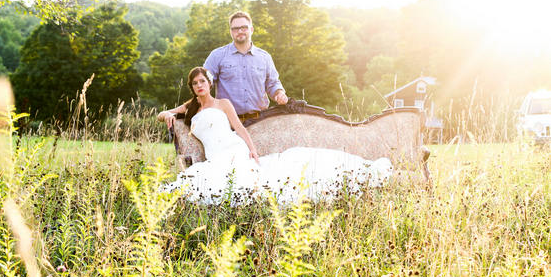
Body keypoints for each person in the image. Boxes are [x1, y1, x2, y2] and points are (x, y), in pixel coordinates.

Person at [158, 67, 393, 205]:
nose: (200, 85)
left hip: (233, 149)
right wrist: (167, 114)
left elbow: (239, 129)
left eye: (203, 81)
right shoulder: (190, 107)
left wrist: (252, 149)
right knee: (204, 184)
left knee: (255, 182)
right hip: (214, 157)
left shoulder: (222, 103)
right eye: (195, 83)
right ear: (192, 87)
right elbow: (161, 114)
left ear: (209, 83)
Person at [203, 11, 288, 121]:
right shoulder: (217, 56)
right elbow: (203, 84)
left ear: (251, 29)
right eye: (235, 28)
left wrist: (279, 93)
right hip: (227, 122)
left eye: (244, 27)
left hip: (260, 121)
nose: (239, 31)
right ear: (231, 32)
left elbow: (273, 84)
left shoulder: (264, 57)